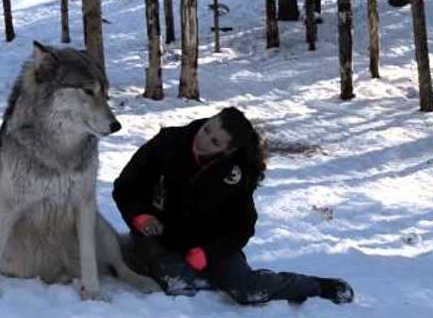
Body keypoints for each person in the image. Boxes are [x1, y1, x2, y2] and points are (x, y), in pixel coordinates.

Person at [112, 107, 354, 305]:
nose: (203, 140)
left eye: (214, 141)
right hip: (160, 239)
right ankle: (201, 276)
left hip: (209, 244)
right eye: (206, 129)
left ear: (228, 150)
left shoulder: (238, 174)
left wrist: (209, 253)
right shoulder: (168, 143)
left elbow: (242, 226)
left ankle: (318, 286)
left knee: (246, 290)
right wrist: (139, 216)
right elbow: (126, 186)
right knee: (179, 285)